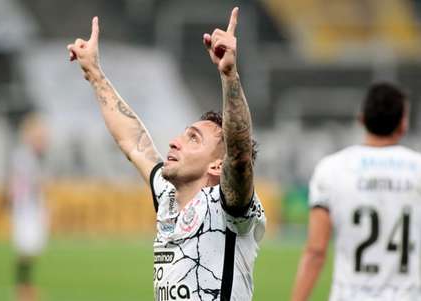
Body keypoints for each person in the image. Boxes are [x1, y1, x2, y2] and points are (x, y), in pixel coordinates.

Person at [67, 7, 266, 300]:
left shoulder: (229, 209)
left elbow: (239, 157)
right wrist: (95, 74)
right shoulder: (168, 197)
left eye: (193, 139)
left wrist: (229, 76)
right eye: (184, 134)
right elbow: (134, 143)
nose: (174, 142)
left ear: (216, 165)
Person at [291, 83, 421, 300]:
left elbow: (316, 251)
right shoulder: (417, 168)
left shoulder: (332, 169)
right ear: (403, 124)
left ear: (361, 119)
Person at [9, 113, 49, 301]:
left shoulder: (32, 156)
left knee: (31, 250)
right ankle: (22, 289)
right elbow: (27, 185)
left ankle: (25, 286)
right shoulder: (24, 156)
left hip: (31, 208)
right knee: (26, 249)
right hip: (26, 210)